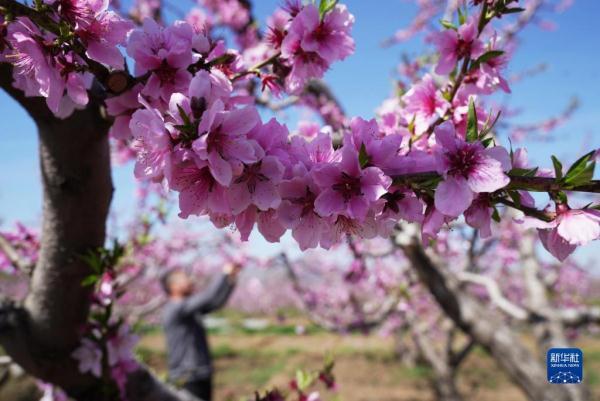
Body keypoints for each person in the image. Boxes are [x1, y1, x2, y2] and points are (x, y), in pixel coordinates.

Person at [161, 263, 241, 401]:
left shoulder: (189, 310)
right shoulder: (175, 309)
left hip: (201, 372)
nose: (190, 281)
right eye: (184, 279)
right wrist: (224, 274)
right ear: (173, 286)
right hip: (187, 375)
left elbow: (215, 303)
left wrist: (230, 281)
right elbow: (209, 297)